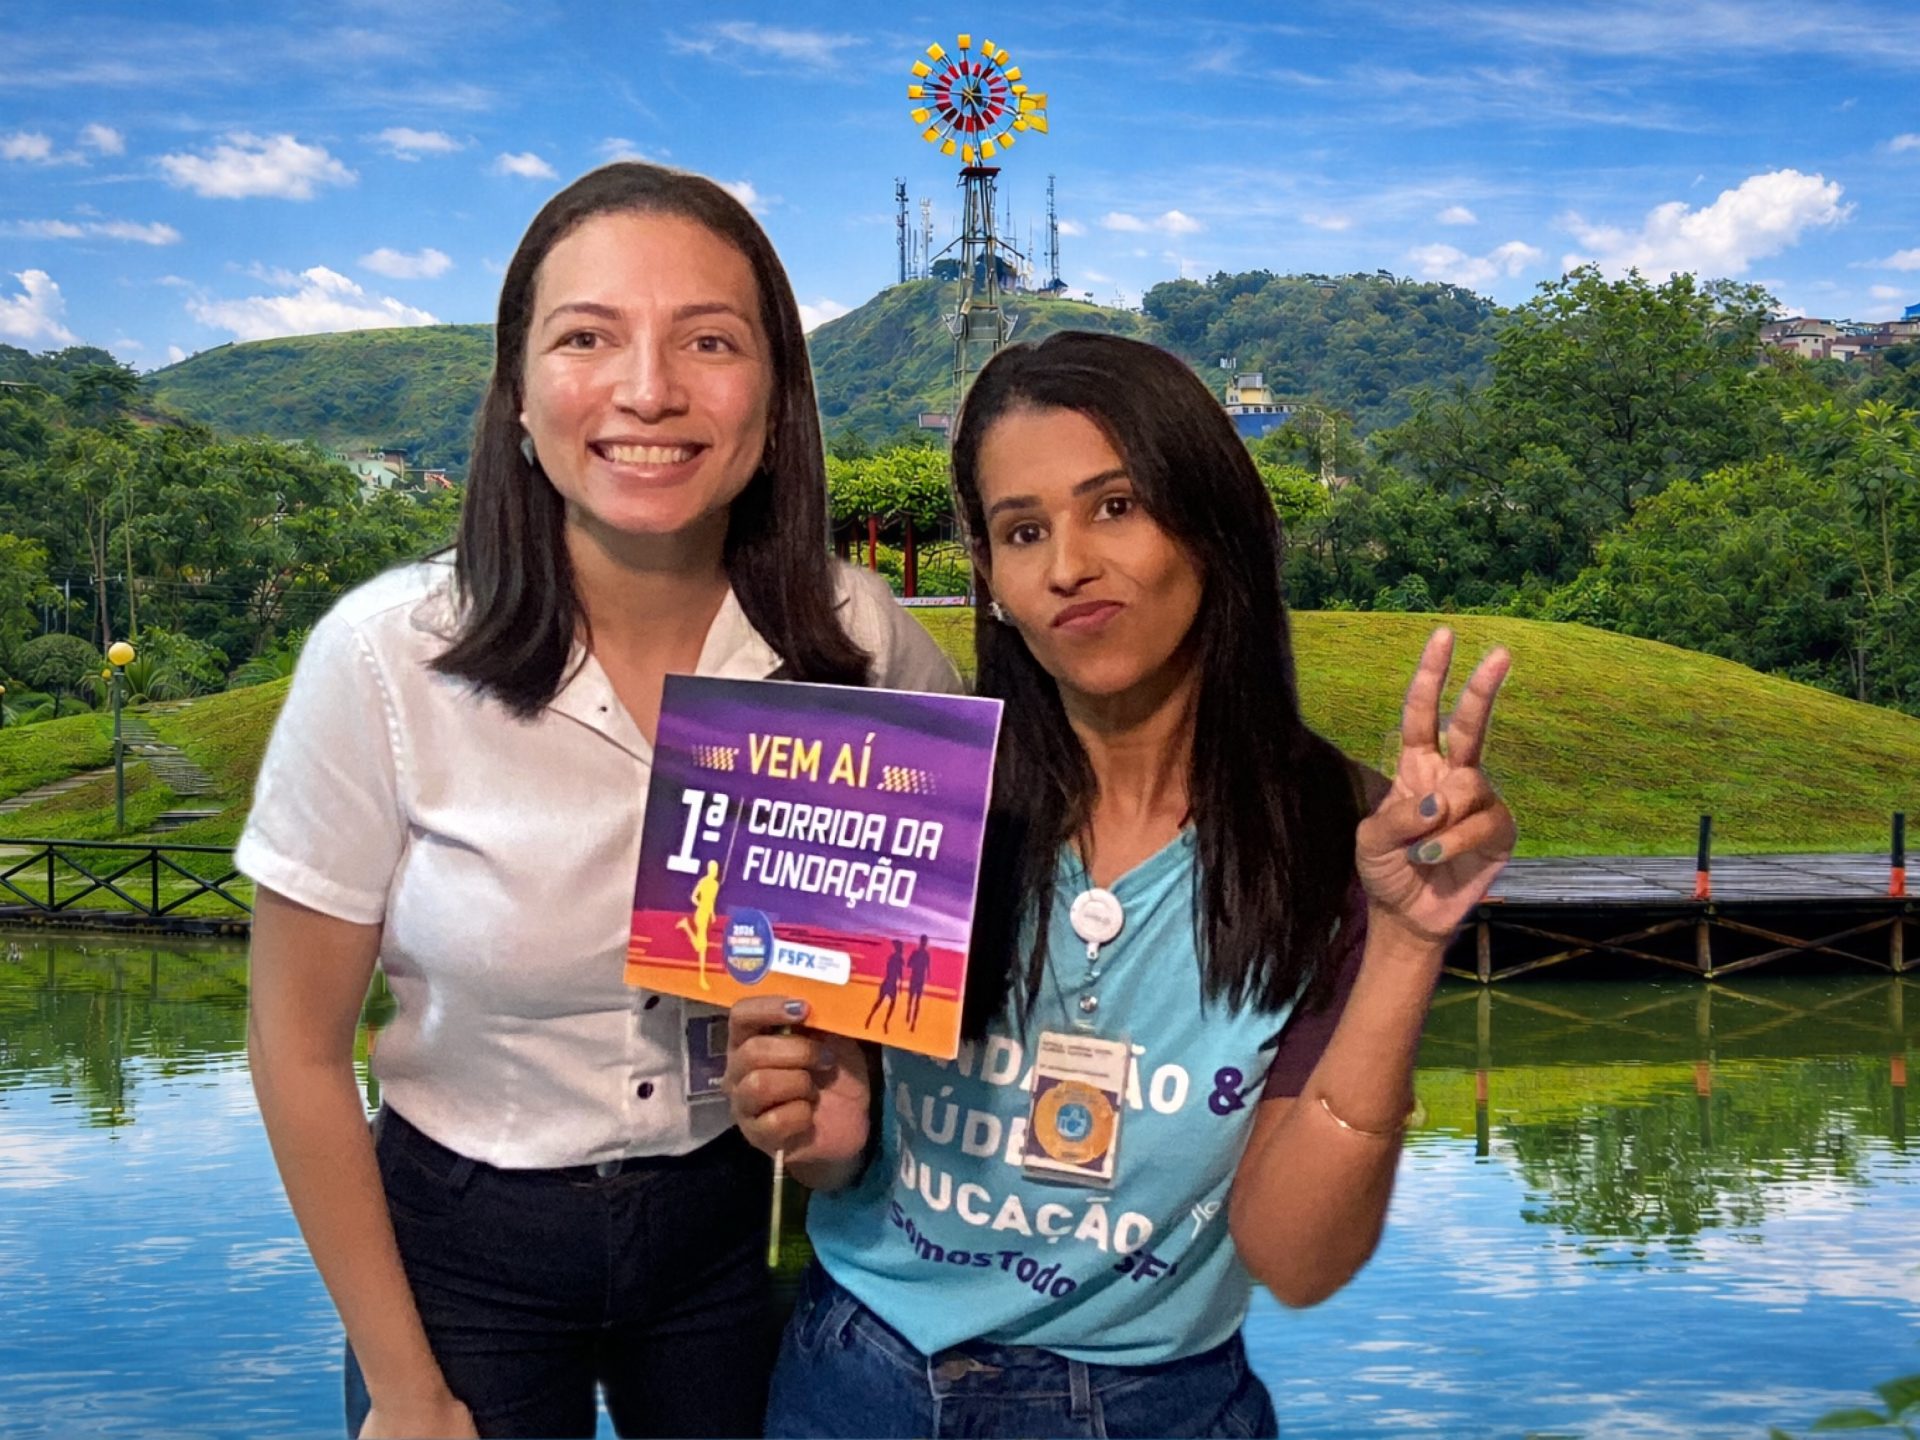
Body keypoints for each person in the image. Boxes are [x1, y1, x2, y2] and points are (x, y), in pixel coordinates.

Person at [240, 162, 961, 1440]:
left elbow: (941, 956)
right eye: (587, 338)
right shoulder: (384, 658)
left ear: (778, 398)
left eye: (709, 341)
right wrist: (405, 1391)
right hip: (458, 1245)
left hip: (745, 1226)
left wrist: (845, 1091)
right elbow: (296, 1049)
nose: (648, 390)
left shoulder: (859, 642)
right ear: (518, 393)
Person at [725, 331, 1516, 1439]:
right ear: (991, 579)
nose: (1067, 566)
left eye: (1116, 506)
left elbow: (1296, 1259)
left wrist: (1406, 940)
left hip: (1155, 1406)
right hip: (855, 1378)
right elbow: (838, 1142)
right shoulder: (916, 794)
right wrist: (821, 1130)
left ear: (1212, 525)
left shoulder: (1340, 842)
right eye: (1023, 530)